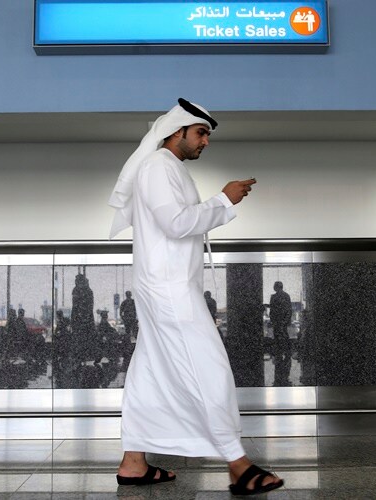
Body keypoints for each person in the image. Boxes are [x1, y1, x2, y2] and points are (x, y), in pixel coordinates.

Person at [108, 98, 282, 495]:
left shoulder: (167, 169)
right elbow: (176, 222)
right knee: (209, 366)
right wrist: (223, 200)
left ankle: (133, 462)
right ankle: (238, 464)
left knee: (149, 373)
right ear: (177, 131)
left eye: (208, 135)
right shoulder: (157, 168)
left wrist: (219, 203)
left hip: (165, 286)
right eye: (201, 133)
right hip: (169, 290)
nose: (206, 141)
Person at [268, 281, 293, 386]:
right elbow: (289, 310)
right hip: (283, 322)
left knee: (277, 338)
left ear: (275, 287)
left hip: (277, 322)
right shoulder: (286, 296)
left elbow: (272, 311)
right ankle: (286, 353)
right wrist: (286, 321)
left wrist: (273, 320)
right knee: (284, 337)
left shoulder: (273, 297)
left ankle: (279, 353)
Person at [119, 290, 138, 371]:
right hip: (131, 319)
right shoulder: (132, 302)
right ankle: (131, 342)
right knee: (133, 332)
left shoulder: (125, 302)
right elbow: (121, 312)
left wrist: (124, 318)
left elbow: (121, 312)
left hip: (129, 319)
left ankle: (129, 342)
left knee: (130, 332)